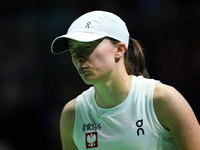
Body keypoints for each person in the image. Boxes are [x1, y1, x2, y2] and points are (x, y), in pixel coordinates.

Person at [51, 11, 200, 150]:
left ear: (120, 49)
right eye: (72, 50)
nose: (78, 57)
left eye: (88, 46)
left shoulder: (163, 100)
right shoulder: (73, 114)